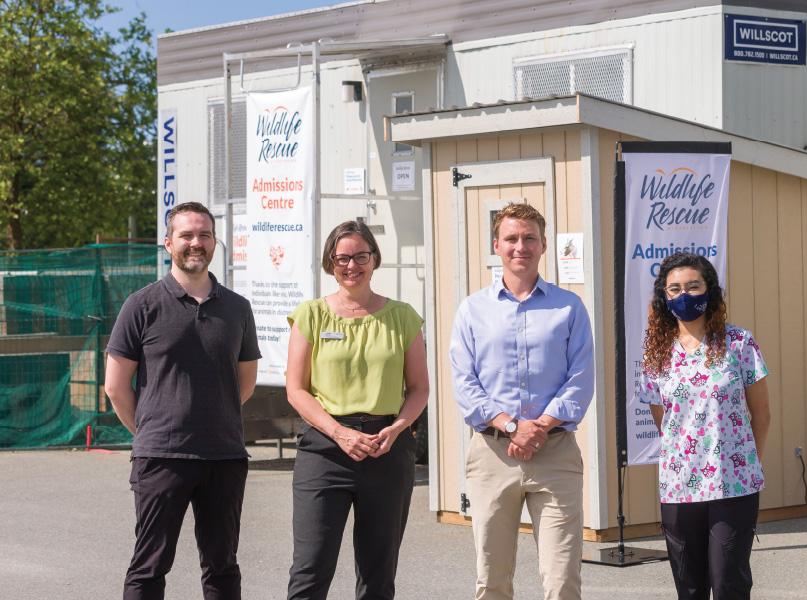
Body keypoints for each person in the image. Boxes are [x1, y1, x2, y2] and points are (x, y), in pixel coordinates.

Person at [104, 201, 261, 600]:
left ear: (214, 242)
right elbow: (115, 386)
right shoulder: (141, 305)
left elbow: (243, 383)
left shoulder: (238, 309)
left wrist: (212, 417)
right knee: (150, 567)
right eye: (187, 235)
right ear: (168, 242)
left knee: (222, 567)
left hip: (224, 457)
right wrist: (152, 430)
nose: (196, 243)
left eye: (204, 235)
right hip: (161, 458)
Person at [449, 202, 595, 600]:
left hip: (556, 453)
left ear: (543, 245)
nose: (520, 246)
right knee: (492, 581)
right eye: (511, 238)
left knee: (562, 580)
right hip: (493, 456)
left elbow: (580, 380)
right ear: (496, 245)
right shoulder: (472, 310)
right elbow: (465, 382)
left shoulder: (569, 307)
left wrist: (540, 427)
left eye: (529, 238)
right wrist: (511, 426)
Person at [285, 220, 429, 600]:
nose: (352, 265)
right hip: (326, 450)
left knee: (378, 574)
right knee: (310, 569)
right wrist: (339, 432)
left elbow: (419, 389)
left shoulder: (403, 317)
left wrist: (398, 428)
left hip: (386, 448)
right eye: (342, 257)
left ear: (374, 259)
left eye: (360, 256)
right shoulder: (311, 315)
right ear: (330, 263)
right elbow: (296, 390)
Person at [637, 252, 771, 600]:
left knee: (729, 581)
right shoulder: (657, 353)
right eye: (675, 289)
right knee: (690, 586)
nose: (684, 295)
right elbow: (661, 418)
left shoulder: (739, 343)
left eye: (693, 286)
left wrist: (746, 460)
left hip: (733, 483)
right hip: (679, 486)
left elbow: (762, 414)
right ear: (664, 298)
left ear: (709, 290)